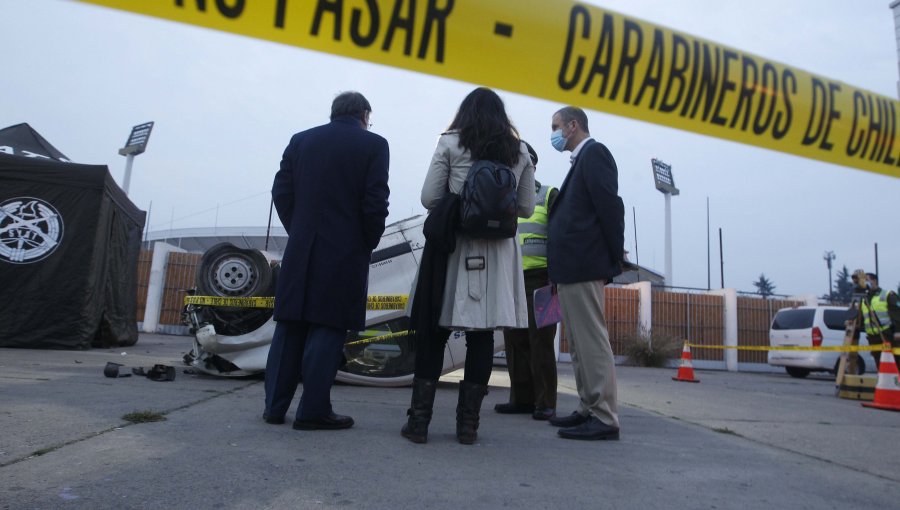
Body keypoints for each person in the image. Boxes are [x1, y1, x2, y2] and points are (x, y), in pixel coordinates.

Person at [401, 87, 536, 445]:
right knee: (482, 336)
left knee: (436, 330)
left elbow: (429, 197)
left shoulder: (450, 143)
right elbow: (525, 208)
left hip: (454, 249)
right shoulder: (519, 150)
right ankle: (468, 427)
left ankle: (418, 423)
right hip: (498, 255)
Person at [263, 91, 390, 431]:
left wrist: (301, 229)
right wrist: (365, 241)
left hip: (301, 248)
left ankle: (274, 407)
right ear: (364, 113)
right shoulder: (374, 145)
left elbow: (281, 192)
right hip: (345, 252)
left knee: (290, 324)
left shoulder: (301, 141)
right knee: (328, 326)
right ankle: (313, 410)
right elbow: (375, 202)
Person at [546, 106, 625, 441]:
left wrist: (612, 259)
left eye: (556, 126)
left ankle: (604, 416)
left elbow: (610, 207)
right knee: (578, 344)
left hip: (585, 264)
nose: (553, 133)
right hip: (571, 267)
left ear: (573, 125)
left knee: (591, 342)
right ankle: (588, 407)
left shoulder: (595, 154)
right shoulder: (580, 160)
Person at [495, 142, 560, 421]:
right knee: (514, 341)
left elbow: (560, 238)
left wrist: (556, 276)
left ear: (532, 166)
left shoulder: (548, 195)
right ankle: (521, 399)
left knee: (541, 342)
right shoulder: (503, 196)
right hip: (512, 278)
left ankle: (545, 403)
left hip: (542, 278)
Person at [859, 272, 900, 371]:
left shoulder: (887, 295)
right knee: (880, 363)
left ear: (874, 281)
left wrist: (898, 331)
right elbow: (862, 318)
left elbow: (897, 314)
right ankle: (885, 383)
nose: (864, 283)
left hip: (886, 334)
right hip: (872, 337)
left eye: (867, 280)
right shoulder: (864, 298)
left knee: (895, 361)